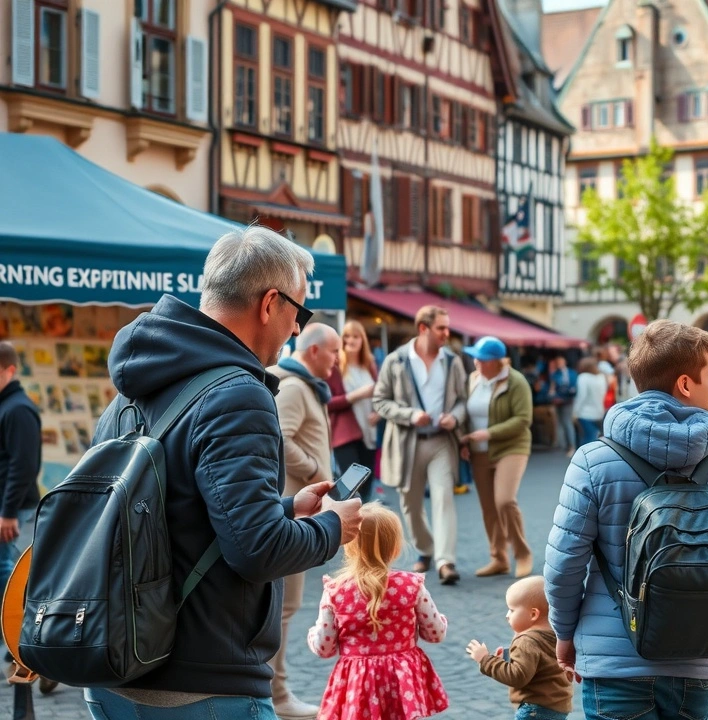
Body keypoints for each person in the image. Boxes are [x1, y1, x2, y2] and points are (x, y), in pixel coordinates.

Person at [85, 226, 362, 717]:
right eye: (299, 312)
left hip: (112, 666)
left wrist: (283, 509)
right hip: (202, 681)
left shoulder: (137, 381)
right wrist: (332, 526)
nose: (298, 329)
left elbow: (170, 512)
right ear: (270, 303)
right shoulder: (238, 394)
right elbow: (258, 551)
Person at [544, 320, 708, 720]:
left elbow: (564, 564)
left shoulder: (592, 460)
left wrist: (565, 634)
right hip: (697, 653)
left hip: (613, 658)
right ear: (684, 384)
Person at [307, 503, 449, 719]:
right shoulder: (411, 585)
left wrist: (312, 634)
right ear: (394, 547)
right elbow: (435, 633)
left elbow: (324, 647)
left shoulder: (336, 591)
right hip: (401, 681)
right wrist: (441, 621)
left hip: (357, 681)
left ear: (349, 544)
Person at [267, 322, 342, 719]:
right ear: (313, 351)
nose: (337, 360)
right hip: (293, 508)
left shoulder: (297, 382)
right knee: (285, 606)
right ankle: (275, 696)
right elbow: (281, 437)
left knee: (286, 605)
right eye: (333, 352)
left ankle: (274, 692)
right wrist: (316, 468)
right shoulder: (295, 386)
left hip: (294, 506)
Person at [373, 306, 468, 585]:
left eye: (447, 328)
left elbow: (463, 400)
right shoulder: (396, 361)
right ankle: (426, 548)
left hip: (441, 441)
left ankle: (445, 561)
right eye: (441, 328)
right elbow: (380, 401)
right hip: (407, 442)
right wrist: (410, 415)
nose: (447, 333)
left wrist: (456, 417)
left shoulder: (452, 361)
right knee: (411, 505)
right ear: (423, 328)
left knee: (443, 498)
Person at [459, 337, 535, 579]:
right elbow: (466, 411)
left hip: (511, 447)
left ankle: (522, 555)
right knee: (489, 508)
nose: (475, 362)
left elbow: (523, 419)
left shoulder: (516, 381)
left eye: (480, 359)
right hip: (479, 451)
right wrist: (465, 439)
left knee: (504, 501)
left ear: (495, 362)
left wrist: (489, 432)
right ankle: (498, 558)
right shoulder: (473, 379)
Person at [466, 576, 573, 720]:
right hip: (557, 707)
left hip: (535, 709)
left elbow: (517, 676)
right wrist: (503, 662)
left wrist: (485, 660)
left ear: (533, 614)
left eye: (512, 610)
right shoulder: (558, 636)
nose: (507, 616)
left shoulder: (527, 641)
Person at [0, 341, 40, 594]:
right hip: (7, 506)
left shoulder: (18, 409)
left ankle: (9, 633)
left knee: (6, 570)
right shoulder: (6, 405)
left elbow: (24, 465)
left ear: (10, 370)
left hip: (14, 510)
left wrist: (8, 512)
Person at [328, 321, 379, 504]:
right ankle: (343, 526)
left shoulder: (370, 365)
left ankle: (363, 528)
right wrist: (355, 395)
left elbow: (382, 394)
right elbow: (327, 402)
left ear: (362, 340)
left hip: (369, 431)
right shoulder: (335, 367)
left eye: (356, 336)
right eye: (347, 336)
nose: (351, 340)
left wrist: (379, 413)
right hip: (345, 434)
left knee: (366, 487)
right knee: (349, 487)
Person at [572, 357, 607, 447]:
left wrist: (575, 412)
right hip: (599, 412)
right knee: (594, 437)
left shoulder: (583, 377)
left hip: (585, 413)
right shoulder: (601, 377)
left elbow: (581, 397)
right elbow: (603, 393)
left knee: (587, 438)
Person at [548, 356, 577, 456]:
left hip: (568, 401)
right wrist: (554, 396)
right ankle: (563, 444)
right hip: (558, 400)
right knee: (560, 422)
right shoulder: (555, 374)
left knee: (567, 422)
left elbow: (574, 387)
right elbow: (552, 388)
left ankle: (571, 445)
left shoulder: (571, 373)